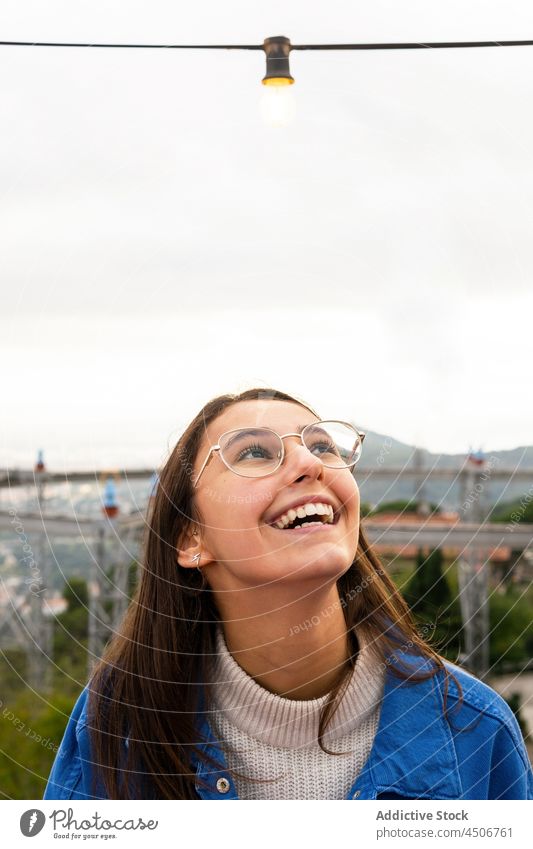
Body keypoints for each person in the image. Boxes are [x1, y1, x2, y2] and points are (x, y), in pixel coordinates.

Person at [44, 387, 533, 800]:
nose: (309, 462)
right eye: (254, 452)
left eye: (324, 447)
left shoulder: (476, 730)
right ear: (191, 539)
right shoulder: (115, 725)